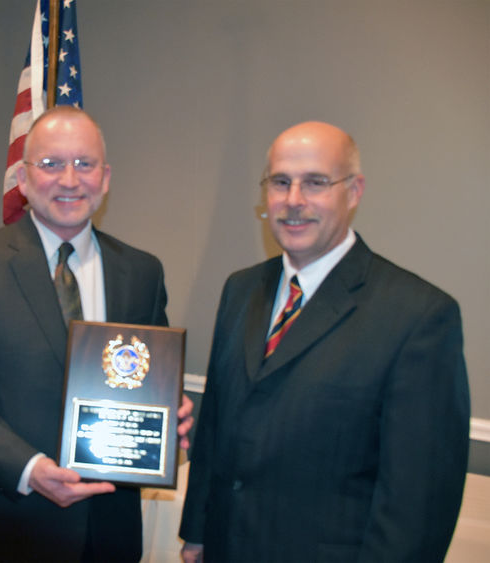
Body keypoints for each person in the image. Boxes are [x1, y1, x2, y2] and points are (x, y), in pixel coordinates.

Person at [179, 121, 470, 562]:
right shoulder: (241, 290)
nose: (294, 201)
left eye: (315, 183)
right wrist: (197, 532)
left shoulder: (419, 316)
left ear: (353, 192)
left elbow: (419, 503)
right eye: (280, 182)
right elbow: (217, 424)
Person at [0, 106, 193, 562]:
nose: (70, 179)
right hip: (10, 522)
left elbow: (146, 378)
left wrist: (169, 406)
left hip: (111, 527)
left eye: (85, 164)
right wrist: (30, 469)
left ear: (105, 179)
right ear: (22, 180)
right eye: (50, 164)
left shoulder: (142, 271)